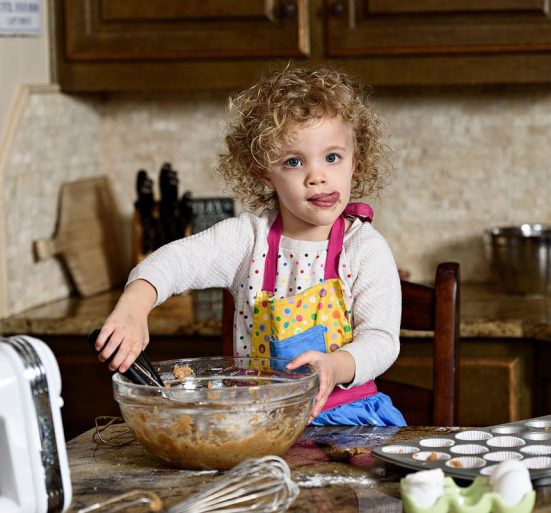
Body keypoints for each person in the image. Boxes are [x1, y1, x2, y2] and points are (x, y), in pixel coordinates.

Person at [94, 65, 406, 426]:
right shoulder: (248, 239)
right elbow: (174, 261)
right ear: (264, 172)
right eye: (293, 162)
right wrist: (134, 305)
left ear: (356, 160)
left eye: (332, 157)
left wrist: (335, 368)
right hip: (259, 423)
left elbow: (382, 341)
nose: (317, 175)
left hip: (347, 421)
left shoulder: (363, 248)